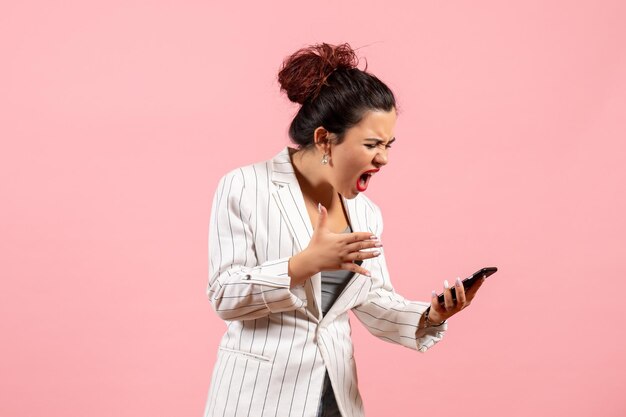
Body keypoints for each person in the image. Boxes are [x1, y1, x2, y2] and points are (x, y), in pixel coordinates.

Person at [203, 43, 485, 417]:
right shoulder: (245, 186)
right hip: (259, 400)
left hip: (335, 398)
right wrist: (303, 264)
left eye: (388, 145)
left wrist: (432, 316)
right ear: (324, 139)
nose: (383, 158)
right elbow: (224, 294)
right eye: (371, 144)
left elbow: (372, 300)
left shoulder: (365, 213)